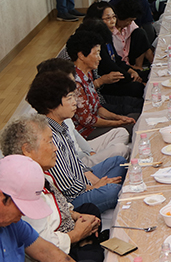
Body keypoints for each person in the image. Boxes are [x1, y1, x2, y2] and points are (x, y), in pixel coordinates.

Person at [0, 115, 104, 262]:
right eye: (49, 142)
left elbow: (62, 205)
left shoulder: (44, 174)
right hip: (49, 258)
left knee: (90, 210)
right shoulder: (22, 192)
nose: (55, 147)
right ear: (27, 150)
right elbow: (42, 243)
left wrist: (76, 216)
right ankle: (88, 250)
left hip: (64, 235)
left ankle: (88, 248)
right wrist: (76, 235)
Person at [25, 70, 127, 212]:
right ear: (50, 105)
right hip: (74, 198)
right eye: (69, 98)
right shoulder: (48, 134)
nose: (75, 103)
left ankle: (107, 191)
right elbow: (65, 186)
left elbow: (76, 163)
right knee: (115, 190)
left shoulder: (61, 123)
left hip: (81, 181)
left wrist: (97, 181)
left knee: (119, 161)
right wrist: (95, 187)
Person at [66, 31, 136, 139]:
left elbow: (98, 108)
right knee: (132, 127)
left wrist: (118, 118)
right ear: (81, 56)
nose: (100, 58)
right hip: (86, 133)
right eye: (96, 53)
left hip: (95, 124)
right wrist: (117, 123)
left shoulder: (87, 73)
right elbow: (88, 120)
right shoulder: (76, 83)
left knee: (133, 117)